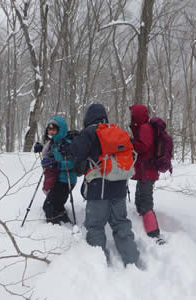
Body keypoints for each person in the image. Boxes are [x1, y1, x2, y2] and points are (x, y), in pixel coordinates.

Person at [60, 103, 140, 267]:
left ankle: (99, 265)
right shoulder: (118, 132)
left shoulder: (90, 132)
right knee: (121, 224)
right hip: (119, 188)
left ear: (88, 117)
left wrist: (67, 145)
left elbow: (74, 151)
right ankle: (132, 261)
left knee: (95, 226)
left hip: (98, 190)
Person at [129, 104, 163, 244]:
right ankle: (141, 221)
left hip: (148, 170)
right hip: (145, 171)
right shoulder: (142, 127)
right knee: (140, 196)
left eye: (132, 114)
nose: (130, 116)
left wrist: (130, 142)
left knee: (146, 200)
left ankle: (154, 234)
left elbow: (143, 147)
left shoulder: (145, 128)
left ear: (137, 115)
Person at [34, 116, 77, 225]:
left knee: (49, 206)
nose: (51, 132)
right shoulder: (53, 143)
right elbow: (51, 156)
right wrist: (41, 149)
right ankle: (64, 221)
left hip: (67, 179)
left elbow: (72, 163)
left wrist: (56, 165)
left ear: (60, 129)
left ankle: (56, 229)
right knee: (55, 204)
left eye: (54, 129)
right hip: (57, 179)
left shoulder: (68, 143)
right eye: (49, 129)